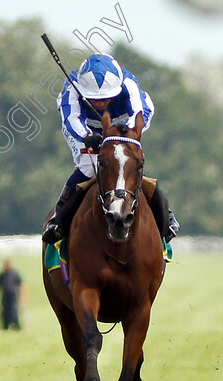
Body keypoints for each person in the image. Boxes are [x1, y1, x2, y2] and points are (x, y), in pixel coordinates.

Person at [41, 53, 180, 244]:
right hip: (86, 128)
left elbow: (140, 112)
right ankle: (58, 219)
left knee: (127, 162)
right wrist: (87, 136)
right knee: (90, 168)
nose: (99, 102)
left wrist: (120, 136)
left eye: (105, 97)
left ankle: (166, 216)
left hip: (124, 124)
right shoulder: (71, 89)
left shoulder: (129, 84)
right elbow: (71, 119)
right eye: (93, 98)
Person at [0, 259, 26, 331]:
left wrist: (22, 297)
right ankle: (5, 327)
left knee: (14, 312)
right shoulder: (1, 275)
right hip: (4, 297)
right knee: (5, 313)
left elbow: (21, 286)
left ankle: (17, 327)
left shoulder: (15, 275)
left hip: (13, 297)